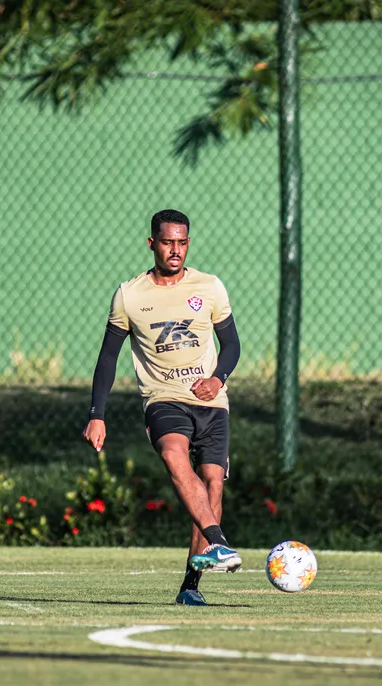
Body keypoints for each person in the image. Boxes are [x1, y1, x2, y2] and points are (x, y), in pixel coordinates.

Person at [84, 209, 242, 606]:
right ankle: (219, 542)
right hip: (163, 398)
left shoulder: (209, 287)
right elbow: (107, 358)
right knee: (174, 456)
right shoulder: (130, 294)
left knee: (212, 486)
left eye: (182, 242)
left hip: (211, 402)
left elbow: (233, 346)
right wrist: (96, 414)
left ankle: (191, 586)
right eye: (168, 242)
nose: (176, 250)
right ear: (152, 243)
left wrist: (217, 378)